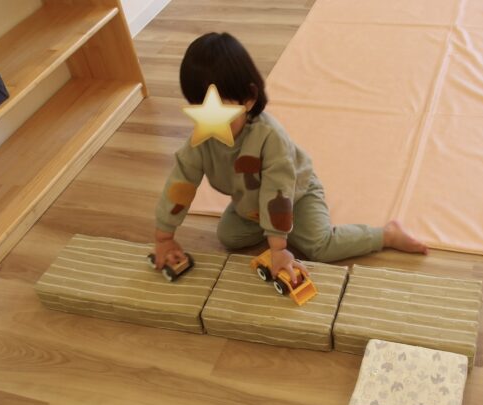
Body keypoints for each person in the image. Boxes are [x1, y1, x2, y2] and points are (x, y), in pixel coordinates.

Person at [154, 32, 427, 284]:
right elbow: (181, 182)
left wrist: (278, 248)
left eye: (221, 105)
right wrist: (164, 237)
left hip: (296, 195)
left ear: (249, 98)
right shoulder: (201, 141)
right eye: (199, 104)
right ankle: (278, 227)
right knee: (229, 236)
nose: (211, 117)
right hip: (252, 205)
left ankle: (386, 234)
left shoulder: (270, 137)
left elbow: (278, 190)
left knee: (320, 247)